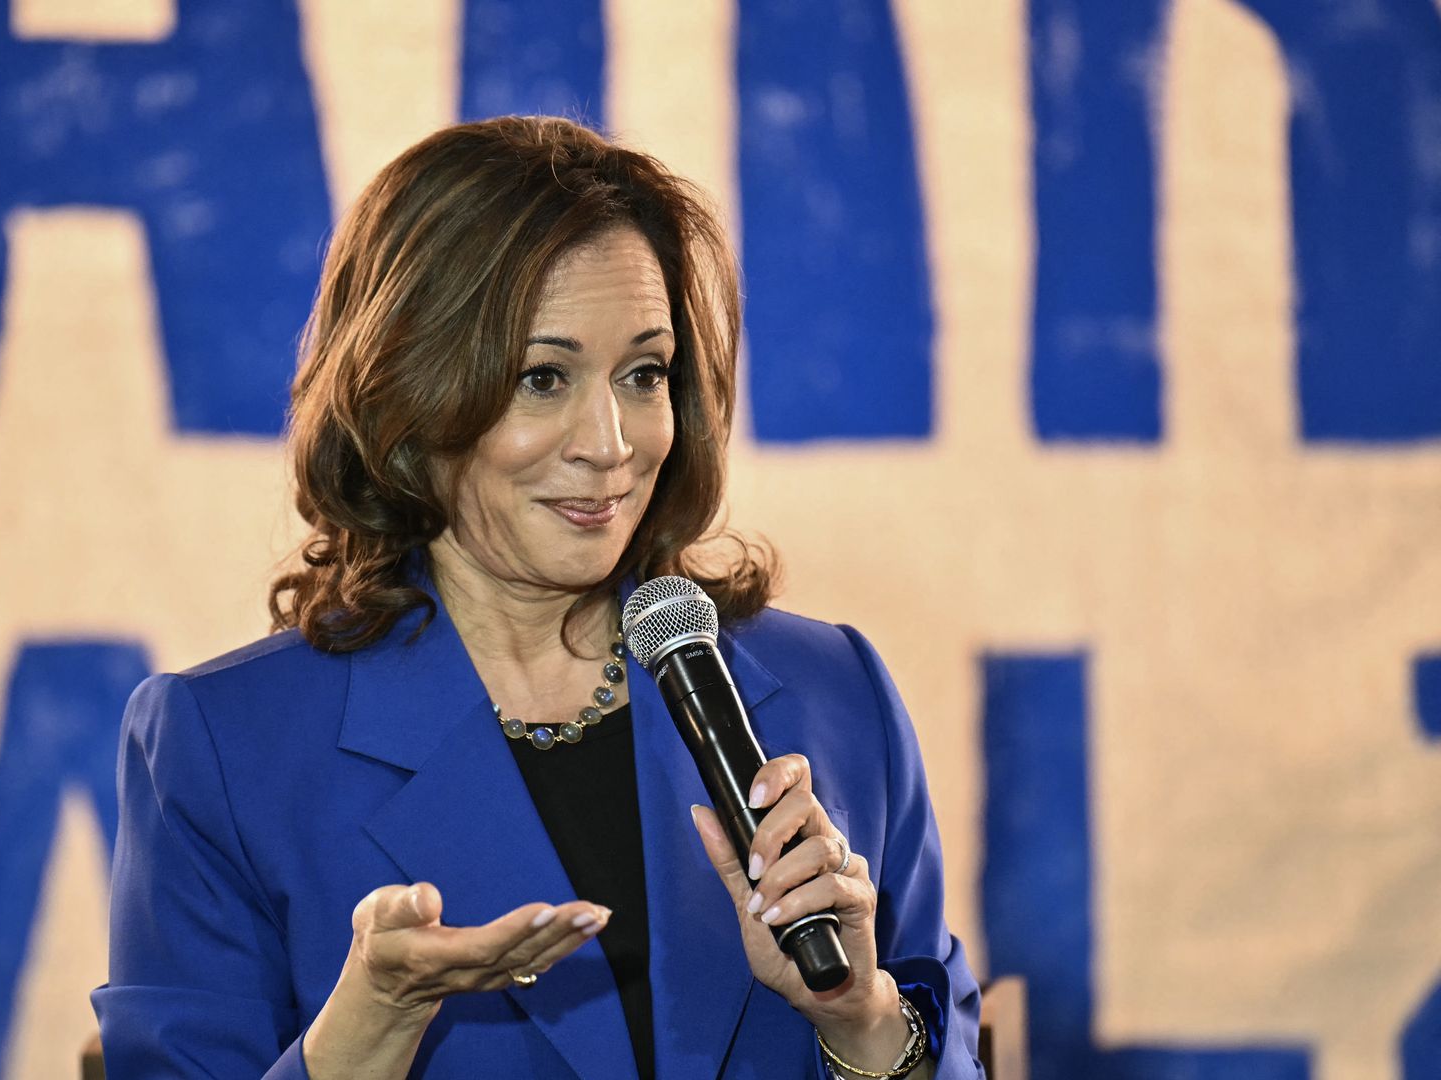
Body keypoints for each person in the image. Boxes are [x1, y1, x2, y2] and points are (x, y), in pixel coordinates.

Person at [92, 115, 984, 1079]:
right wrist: (365, 1035)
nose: (611, 441)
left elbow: (944, 1048)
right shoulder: (225, 750)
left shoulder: (833, 694)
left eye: (645, 373)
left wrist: (863, 1021)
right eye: (542, 378)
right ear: (406, 404)